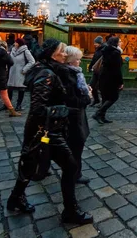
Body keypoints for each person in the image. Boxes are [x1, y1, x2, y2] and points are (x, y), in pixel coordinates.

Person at [7, 39, 93, 225]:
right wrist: (66, 111)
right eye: (61, 51)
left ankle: (15, 199)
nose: (64, 54)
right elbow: (39, 108)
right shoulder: (46, 73)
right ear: (53, 54)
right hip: (45, 130)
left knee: (28, 164)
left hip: (44, 129)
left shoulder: (52, 70)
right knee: (69, 167)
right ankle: (70, 211)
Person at [60, 46, 92, 185]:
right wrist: (88, 97)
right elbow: (72, 99)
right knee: (75, 146)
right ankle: (74, 174)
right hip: (73, 116)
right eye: (78, 59)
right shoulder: (69, 75)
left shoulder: (74, 73)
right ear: (71, 61)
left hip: (76, 116)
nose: (79, 62)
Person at [93, 37, 123, 124]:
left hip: (103, 77)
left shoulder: (105, 50)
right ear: (116, 43)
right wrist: (121, 82)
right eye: (119, 41)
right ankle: (98, 113)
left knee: (105, 98)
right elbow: (117, 69)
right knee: (114, 97)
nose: (120, 43)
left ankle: (102, 117)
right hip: (112, 78)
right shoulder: (116, 53)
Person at [7, 38, 36, 111]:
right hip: (12, 71)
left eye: (16, 42)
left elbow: (32, 61)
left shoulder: (26, 51)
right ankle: (8, 104)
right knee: (9, 88)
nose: (14, 43)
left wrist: (25, 69)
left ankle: (18, 105)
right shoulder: (12, 50)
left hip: (21, 72)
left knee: (21, 89)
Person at [88, 36, 105, 106]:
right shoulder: (97, 49)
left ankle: (103, 102)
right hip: (96, 71)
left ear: (100, 43)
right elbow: (94, 59)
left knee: (101, 87)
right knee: (92, 85)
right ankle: (96, 100)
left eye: (96, 43)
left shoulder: (104, 49)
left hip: (101, 71)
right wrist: (90, 66)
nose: (94, 44)